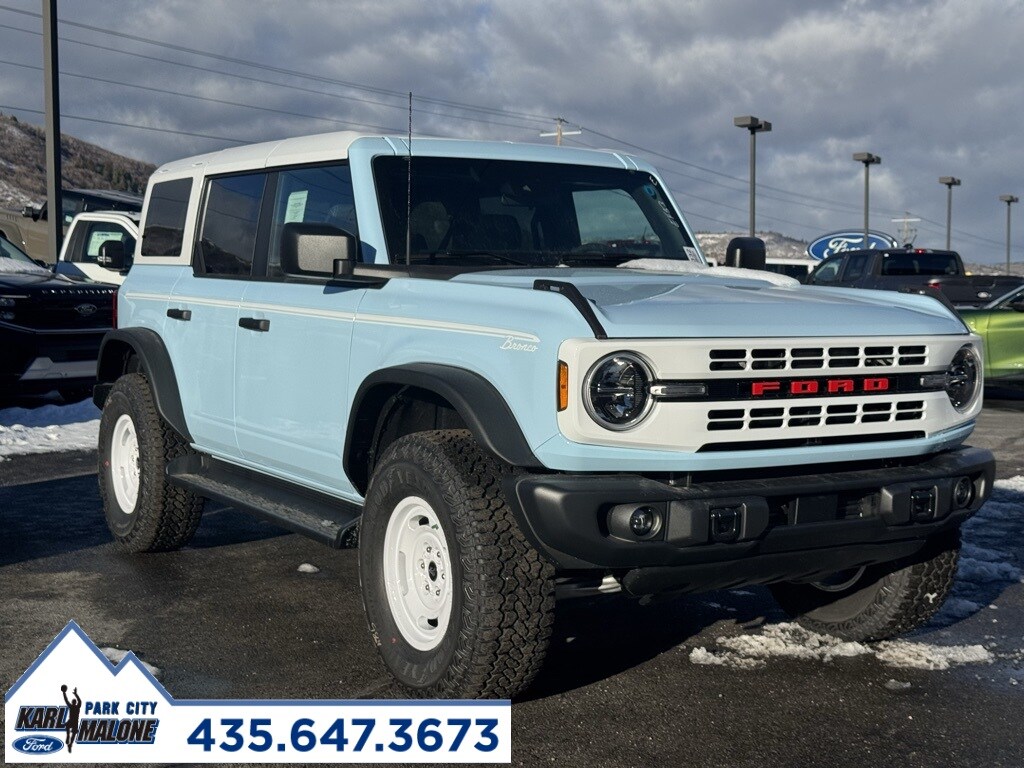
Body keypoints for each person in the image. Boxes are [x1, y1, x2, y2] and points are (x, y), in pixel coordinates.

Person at [61, 684, 82, 754]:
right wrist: (75, 694)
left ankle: (69, 741)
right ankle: (69, 739)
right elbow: (79, 701)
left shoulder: (73, 706)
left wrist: (64, 693)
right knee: (72, 733)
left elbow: (66, 700)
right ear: (74, 702)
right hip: (74, 722)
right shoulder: (76, 707)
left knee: (69, 729)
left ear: (73, 702)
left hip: (72, 721)